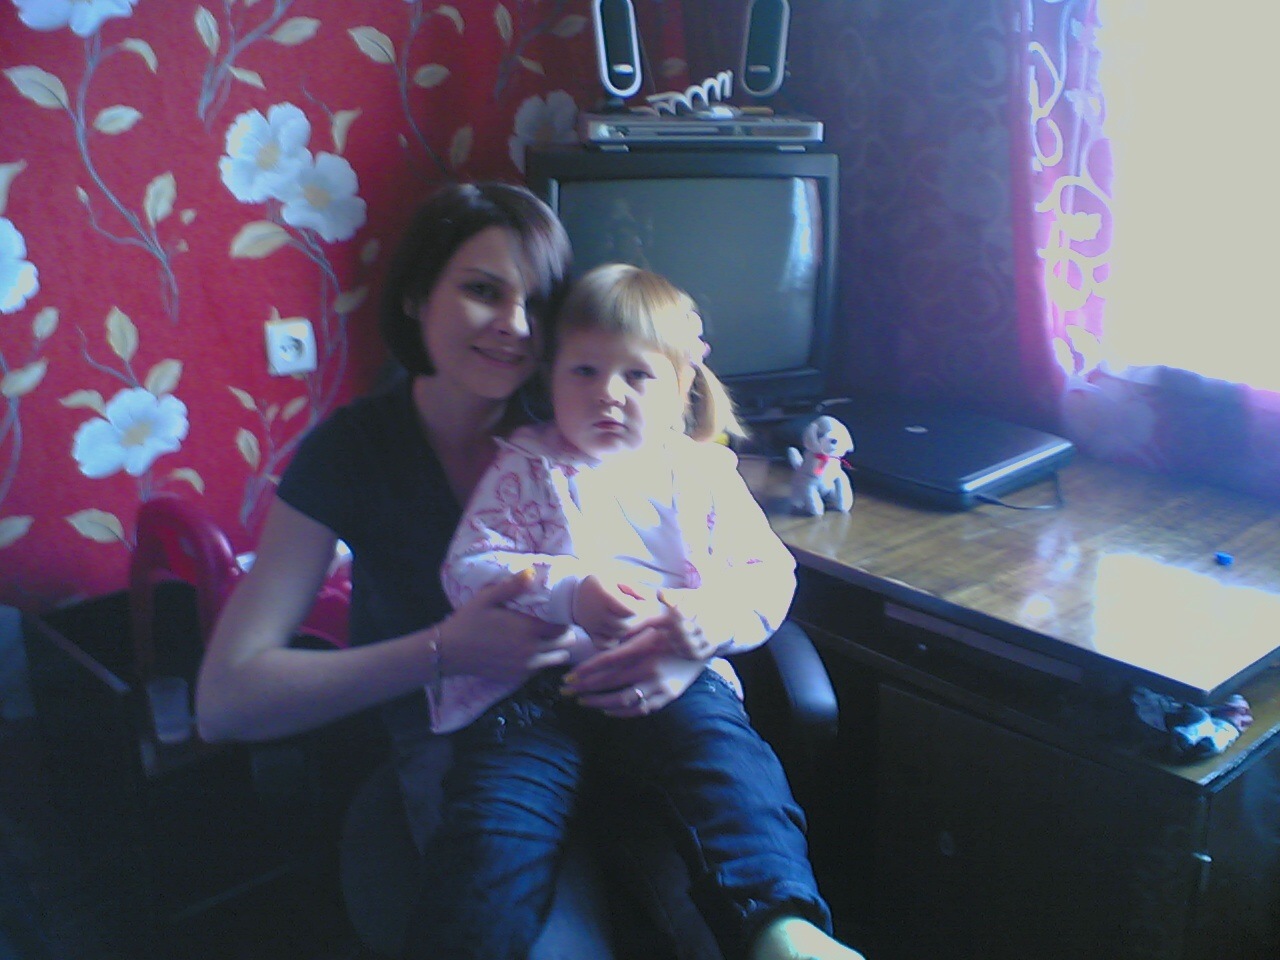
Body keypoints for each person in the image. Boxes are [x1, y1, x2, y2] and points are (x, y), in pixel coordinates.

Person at [412, 263, 864, 960]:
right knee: (490, 834)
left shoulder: (703, 476)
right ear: (551, 379)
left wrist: (710, 621)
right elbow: (468, 567)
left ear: (681, 387)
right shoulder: (527, 465)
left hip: (674, 683)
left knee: (737, 785)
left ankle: (783, 930)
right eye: (584, 371)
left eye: (637, 376)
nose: (608, 394)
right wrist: (569, 590)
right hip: (535, 694)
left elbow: (768, 573)